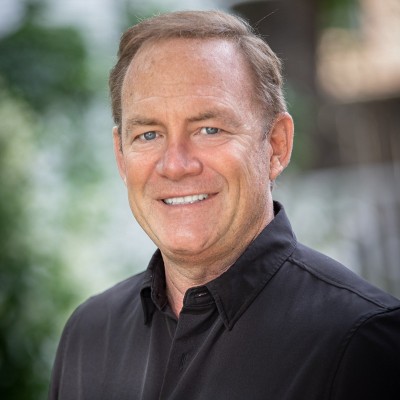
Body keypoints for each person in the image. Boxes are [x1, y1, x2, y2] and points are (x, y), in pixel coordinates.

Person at [48, 10, 400, 400]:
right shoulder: (89, 335)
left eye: (209, 129)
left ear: (276, 145)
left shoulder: (361, 340)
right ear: (120, 156)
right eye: (148, 135)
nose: (176, 165)